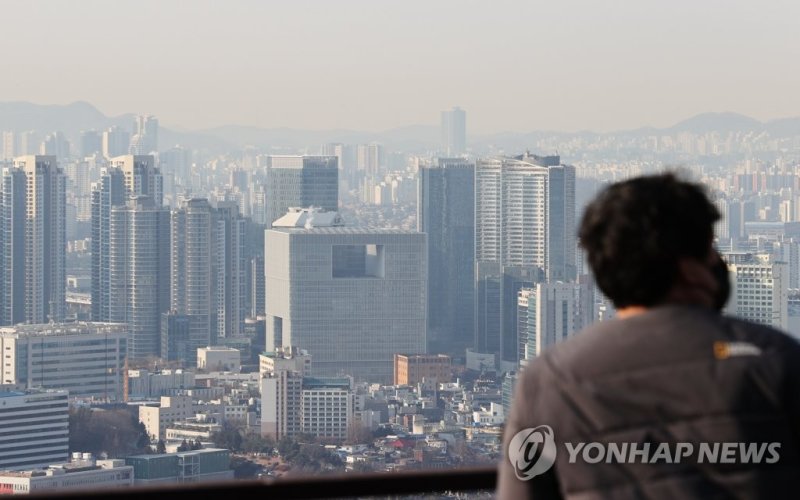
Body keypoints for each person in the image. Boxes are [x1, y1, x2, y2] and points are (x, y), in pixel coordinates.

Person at [497, 173, 800, 499]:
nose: (717, 262)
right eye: (710, 250)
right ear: (687, 267)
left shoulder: (552, 380)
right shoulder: (774, 360)